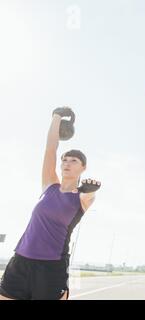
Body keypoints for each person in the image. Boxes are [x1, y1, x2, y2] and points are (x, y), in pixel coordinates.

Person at [0, 107, 101, 300]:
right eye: (64, 160)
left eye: (73, 160)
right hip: (20, 260)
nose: (66, 163)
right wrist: (56, 117)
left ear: (83, 167)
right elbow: (50, 149)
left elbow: (90, 196)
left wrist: (91, 189)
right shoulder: (49, 186)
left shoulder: (81, 197)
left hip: (50, 268)